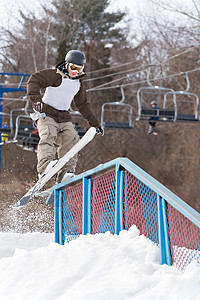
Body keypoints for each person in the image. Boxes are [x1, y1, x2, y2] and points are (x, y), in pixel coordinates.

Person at [27, 50, 103, 183]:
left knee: (71, 137)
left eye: (79, 69)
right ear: (67, 65)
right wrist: (36, 100)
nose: (75, 71)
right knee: (49, 133)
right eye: (73, 68)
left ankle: (65, 172)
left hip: (63, 116)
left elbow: (83, 105)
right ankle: (44, 167)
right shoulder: (55, 75)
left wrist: (95, 124)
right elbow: (34, 80)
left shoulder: (78, 84)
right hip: (46, 113)